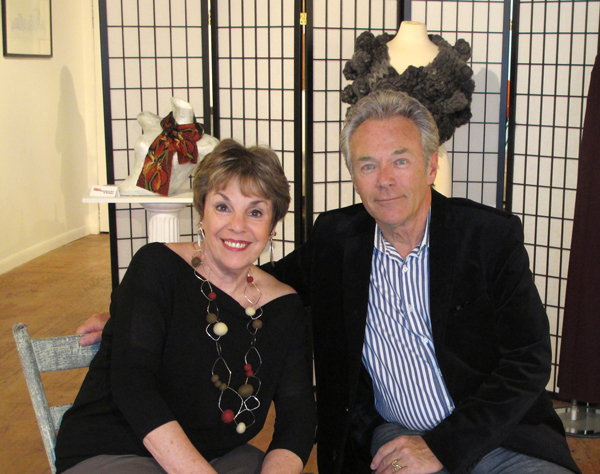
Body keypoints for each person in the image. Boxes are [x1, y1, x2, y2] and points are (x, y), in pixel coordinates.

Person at [77, 91, 580, 474]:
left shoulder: (487, 238)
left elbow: (530, 360)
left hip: (496, 436)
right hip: (396, 437)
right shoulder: (338, 240)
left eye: (400, 160)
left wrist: (443, 447)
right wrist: (133, 312)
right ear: (353, 176)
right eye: (367, 165)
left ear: (431, 165)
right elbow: (246, 274)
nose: (384, 179)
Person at [56, 139, 316, 474]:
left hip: (220, 457)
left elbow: (297, 419)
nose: (238, 225)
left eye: (255, 212)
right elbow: (134, 387)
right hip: (117, 449)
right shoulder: (157, 267)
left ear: (273, 226)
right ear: (201, 213)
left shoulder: (284, 307)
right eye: (222, 207)